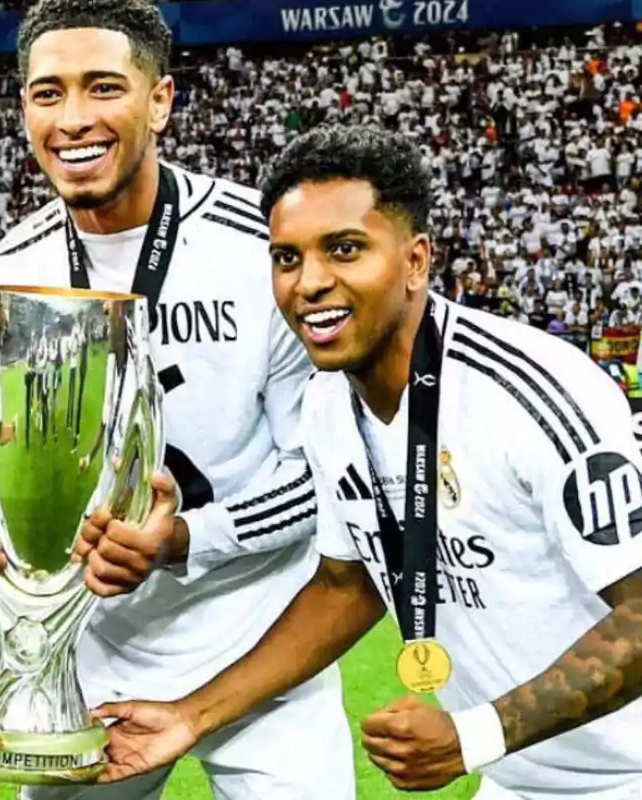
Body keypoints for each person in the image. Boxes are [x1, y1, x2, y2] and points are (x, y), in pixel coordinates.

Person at [90, 125, 642, 800]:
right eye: (286, 259)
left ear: (414, 262)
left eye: (344, 250)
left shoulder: (532, 392)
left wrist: (476, 734)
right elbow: (346, 588)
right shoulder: (328, 408)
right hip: (518, 778)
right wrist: (187, 717)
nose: (310, 283)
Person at [0, 1, 354, 797]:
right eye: (47, 93)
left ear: (160, 99)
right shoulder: (7, 274)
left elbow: (327, 470)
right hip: (85, 664)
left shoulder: (260, 249)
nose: (73, 119)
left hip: (261, 655)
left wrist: (188, 536)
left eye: (102, 88)